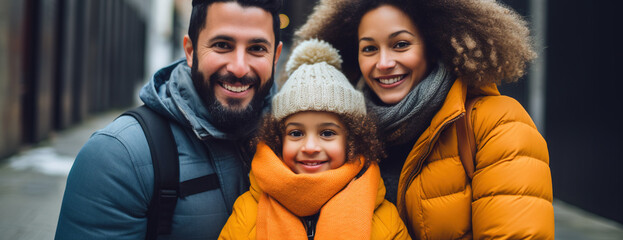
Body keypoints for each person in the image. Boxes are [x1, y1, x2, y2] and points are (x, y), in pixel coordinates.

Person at [293, 0, 554, 239]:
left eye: (401, 44)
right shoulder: (344, 134)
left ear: (434, 45)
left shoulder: (497, 123)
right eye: (369, 48)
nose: (383, 62)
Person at [55, 0, 283, 239]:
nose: (238, 68)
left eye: (257, 48)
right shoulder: (118, 155)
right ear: (191, 51)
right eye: (222, 45)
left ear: (275, 57)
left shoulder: (300, 147)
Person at [218, 39, 410, 240]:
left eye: (327, 133)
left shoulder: (383, 218)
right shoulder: (248, 211)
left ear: (352, 141)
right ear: (278, 140)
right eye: (296, 133)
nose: (310, 147)